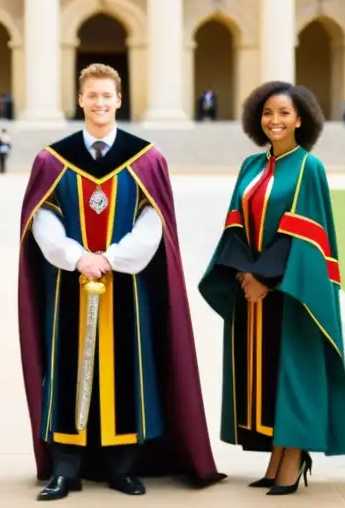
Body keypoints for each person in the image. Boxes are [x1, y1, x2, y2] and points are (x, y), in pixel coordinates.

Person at [17, 63, 224, 501]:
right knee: (65, 370)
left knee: (130, 370)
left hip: (128, 290)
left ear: (119, 99)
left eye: (106, 96)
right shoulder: (52, 159)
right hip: (67, 288)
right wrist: (77, 259)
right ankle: (65, 469)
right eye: (92, 95)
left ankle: (122, 467)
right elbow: (43, 221)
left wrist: (108, 260)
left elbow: (154, 224)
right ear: (80, 100)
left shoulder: (145, 158)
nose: (99, 103)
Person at [198, 81, 345, 497]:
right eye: (268, 112)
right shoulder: (251, 165)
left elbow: (303, 234)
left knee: (291, 373)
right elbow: (234, 224)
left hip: (290, 292)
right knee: (265, 377)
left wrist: (265, 278)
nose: (275, 120)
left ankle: (294, 456)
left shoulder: (309, 167)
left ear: (300, 119)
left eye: (284, 113)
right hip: (252, 289)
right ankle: (277, 456)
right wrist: (243, 274)